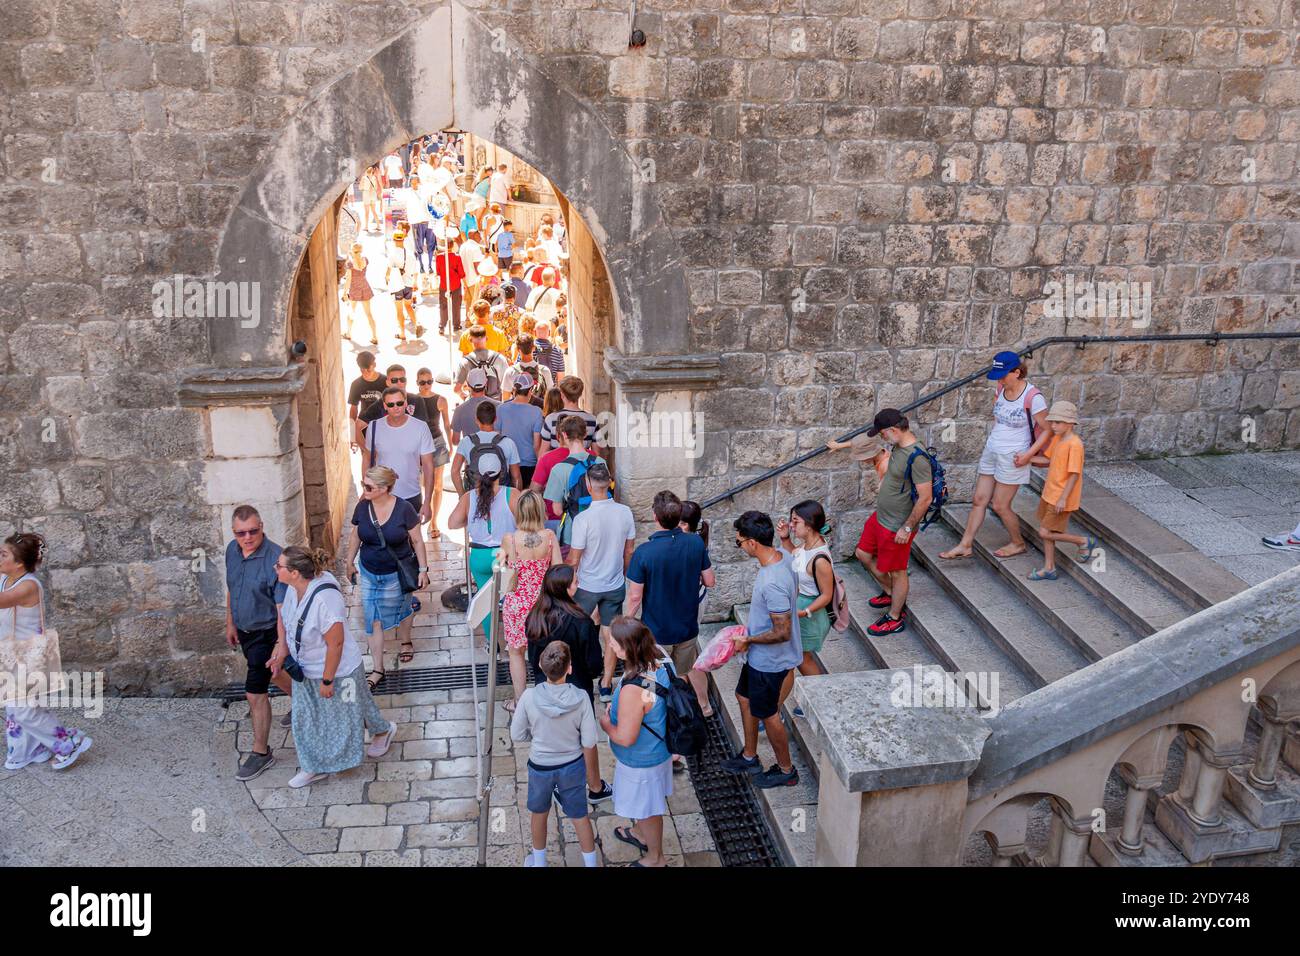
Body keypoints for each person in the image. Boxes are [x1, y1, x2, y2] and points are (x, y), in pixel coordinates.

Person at [268, 547, 397, 789]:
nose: (275, 568)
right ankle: (313, 766)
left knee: (351, 713)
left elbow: (335, 643)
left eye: (280, 566)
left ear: (295, 572)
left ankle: (382, 731)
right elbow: (284, 620)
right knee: (306, 718)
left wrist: (327, 681)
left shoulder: (324, 600)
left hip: (338, 670)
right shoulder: (292, 589)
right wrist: (281, 651)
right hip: (305, 669)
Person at [940, 351, 1049, 560]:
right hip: (993, 449)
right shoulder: (1001, 389)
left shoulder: (1033, 397)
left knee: (1000, 505)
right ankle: (965, 544)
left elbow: (1047, 430)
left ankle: (1018, 543)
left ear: (1016, 372)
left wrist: (1028, 455)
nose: (999, 379)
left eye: (1003, 375)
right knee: (979, 499)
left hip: (1015, 455)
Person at [723, 511, 802, 789]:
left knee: (769, 714)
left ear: (753, 543)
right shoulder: (783, 556)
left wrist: (749, 640)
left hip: (769, 662)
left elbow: (782, 632)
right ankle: (749, 755)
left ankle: (786, 769)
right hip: (759, 659)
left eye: (740, 542)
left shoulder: (772, 582)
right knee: (743, 697)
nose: (740, 546)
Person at [1, 533, 92, 772]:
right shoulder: (5, 578)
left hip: (31, 656)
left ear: (19, 562)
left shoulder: (29, 585)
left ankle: (70, 742)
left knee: (23, 709)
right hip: (11, 653)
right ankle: (29, 750)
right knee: (17, 706)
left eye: (3, 554)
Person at [525, 564, 613, 804]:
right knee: (586, 739)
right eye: (575, 581)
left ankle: (560, 786)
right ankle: (595, 787)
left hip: (546, 688)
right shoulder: (581, 621)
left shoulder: (534, 617)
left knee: (556, 739)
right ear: (565, 589)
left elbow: (533, 658)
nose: (578, 583)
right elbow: (594, 665)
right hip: (577, 691)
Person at [624, 490, 715, 720]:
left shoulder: (644, 553)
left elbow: (635, 597)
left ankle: (659, 716)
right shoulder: (695, 543)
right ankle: (683, 713)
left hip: (658, 630)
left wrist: (626, 622)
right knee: (683, 673)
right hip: (687, 626)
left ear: (655, 516)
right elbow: (710, 581)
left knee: (654, 676)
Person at [511, 641, 602, 868]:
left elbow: (517, 734)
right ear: (570, 668)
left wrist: (538, 738)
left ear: (541, 666)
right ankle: (590, 863)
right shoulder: (581, 698)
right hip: (571, 765)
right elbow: (590, 741)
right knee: (579, 815)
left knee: (539, 813)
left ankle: (539, 862)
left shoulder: (529, 698)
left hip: (541, 766)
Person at [346, 466, 430, 689]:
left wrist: (423, 570)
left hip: (397, 572)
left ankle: (405, 641)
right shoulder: (363, 506)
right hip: (369, 571)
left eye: (368, 487)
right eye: (364, 485)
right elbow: (355, 535)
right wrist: (348, 562)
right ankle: (378, 668)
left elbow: (418, 541)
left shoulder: (404, 509)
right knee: (372, 618)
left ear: (384, 488)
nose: (364, 490)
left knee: (402, 610)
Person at [224, 505, 291, 781]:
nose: (248, 537)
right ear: (234, 533)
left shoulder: (275, 558)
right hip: (246, 630)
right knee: (275, 675)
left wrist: (281, 646)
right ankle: (304, 704)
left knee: (255, 691)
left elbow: (282, 609)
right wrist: (230, 621)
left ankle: (261, 752)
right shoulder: (231, 550)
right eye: (241, 533)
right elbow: (231, 586)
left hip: (268, 631)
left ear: (262, 526)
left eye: (253, 531)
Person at [599, 617, 672, 867]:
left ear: (628, 648)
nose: (610, 645)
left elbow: (626, 738)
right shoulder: (659, 658)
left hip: (641, 760)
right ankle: (641, 834)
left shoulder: (634, 689)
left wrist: (607, 724)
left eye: (614, 643)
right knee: (645, 805)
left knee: (648, 810)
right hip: (657, 749)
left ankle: (656, 858)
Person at [853, 410, 933, 636]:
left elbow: (925, 498)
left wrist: (907, 527)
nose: (882, 439)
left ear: (893, 430)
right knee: (863, 554)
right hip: (881, 517)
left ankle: (895, 616)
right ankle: (890, 592)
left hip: (897, 525)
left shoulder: (917, 457)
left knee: (898, 571)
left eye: (883, 434)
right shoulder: (899, 446)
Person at [566, 460, 636, 703]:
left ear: (587, 485)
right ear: (610, 484)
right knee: (610, 636)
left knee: (578, 632)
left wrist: (567, 583)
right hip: (614, 584)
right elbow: (629, 552)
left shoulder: (583, 520)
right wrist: (623, 575)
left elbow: (574, 558)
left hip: (587, 586)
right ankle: (606, 685)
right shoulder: (625, 512)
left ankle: (579, 679)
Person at [501, 491, 561, 710]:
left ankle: (520, 701)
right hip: (543, 603)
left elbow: (508, 572)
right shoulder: (550, 536)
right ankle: (548, 697)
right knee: (547, 650)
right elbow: (557, 571)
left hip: (518, 602)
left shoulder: (510, 539)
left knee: (516, 652)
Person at [1028, 401, 1098, 580]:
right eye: (1052, 422)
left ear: (1070, 423)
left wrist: (1063, 499)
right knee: (1049, 531)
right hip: (1049, 493)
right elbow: (1049, 460)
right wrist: (1027, 459)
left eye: (1058, 422)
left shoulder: (1075, 444)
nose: (1053, 426)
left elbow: (1074, 474)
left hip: (1060, 496)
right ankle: (1049, 567)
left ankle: (1083, 541)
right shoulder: (1058, 439)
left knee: (1044, 532)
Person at [362, 386, 435, 531]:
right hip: (381, 495)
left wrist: (427, 502)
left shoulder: (420, 427)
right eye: (391, 404)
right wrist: (366, 488)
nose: (396, 407)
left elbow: (428, 466)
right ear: (384, 406)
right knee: (384, 542)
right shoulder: (374, 427)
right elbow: (367, 458)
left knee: (414, 543)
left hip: (411, 495)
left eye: (400, 403)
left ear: (406, 403)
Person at [776, 500, 833, 679]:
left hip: (812, 614)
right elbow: (795, 557)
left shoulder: (820, 559)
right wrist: (785, 538)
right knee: (798, 656)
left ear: (808, 525)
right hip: (801, 605)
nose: (791, 525)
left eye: (795, 521)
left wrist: (804, 612)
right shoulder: (806, 545)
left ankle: (816, 695)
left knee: (802, 658)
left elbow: (827, 595)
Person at [448, 448, 518, 591]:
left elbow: (452, 523)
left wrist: (469, 520)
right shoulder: (513, 494)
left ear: (477, 474)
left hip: (480, 557)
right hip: (506, 556)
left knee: (485, 604)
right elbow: (527, 523)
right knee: (508, 599)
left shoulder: (468, 497)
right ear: (501, 472)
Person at [534, 415, 595, 540]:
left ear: (560, 435)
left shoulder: (548, 459)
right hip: (593, 521)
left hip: (559, 521)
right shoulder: (596, 459)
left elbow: (535, 490)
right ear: (585, 434)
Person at [414, 367, 453, 539]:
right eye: (423, 382)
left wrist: (451, 444)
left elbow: (446, 425)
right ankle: (424, 514)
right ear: (417, 383)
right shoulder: (412, 401)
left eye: (429, 381)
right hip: (419, 445)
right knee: (423, 484)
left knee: (437, 485)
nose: (426, 385)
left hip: (437, 443)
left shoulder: (441, 400)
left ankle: (434, 521)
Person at [451, 399, 522, 494]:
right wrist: (516, 498)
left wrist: (462, 495)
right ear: (495, 419)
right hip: (501, 495)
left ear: (476, 420)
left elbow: (454, 471)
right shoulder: (508, 442)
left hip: (475, 494)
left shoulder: (466, 442)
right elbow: (516, 476)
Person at [494, 371, 545, 488]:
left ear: (514, 389)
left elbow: (496, 438)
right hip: (529, 463)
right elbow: (536, 445)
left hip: (507, 462)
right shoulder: (537, 412)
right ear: (530, 390)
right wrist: (541, 466)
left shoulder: (501, 409)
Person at [539, 376, 599, 451]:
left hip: (556, 462)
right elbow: (596, 454)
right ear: (580, 394)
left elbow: (542, 455)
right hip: (581, 462)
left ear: (562, 394)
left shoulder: (550, 419)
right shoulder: (593, 420)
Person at [455, 324, 509, 400]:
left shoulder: (465, 362)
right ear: (486, 339)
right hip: (495, 404)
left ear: (470, 340)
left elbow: (457, 389)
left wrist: (465, 397)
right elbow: (508, 385)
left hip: (474, 405)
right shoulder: (500, 358)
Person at [346, 351, 385, 452]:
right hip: (364, 427)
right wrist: (353, 434)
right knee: (368, 459)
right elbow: (353, 410)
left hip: (383, 426)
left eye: (368, 369)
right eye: (362, 370)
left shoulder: (385, 381)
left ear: (374, 365)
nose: (366, 373)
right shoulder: (356, 384)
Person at [385, 228, 419, 343]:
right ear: (403, 239)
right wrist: (415, 282)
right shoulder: (410, 254)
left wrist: (387, 280)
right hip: (408, 284)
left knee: (399, 310)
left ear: (394, 240)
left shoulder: (392, 254)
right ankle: (416, 323)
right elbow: (415, 271)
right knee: (408, 306)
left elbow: (388, 272)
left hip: (397, 285)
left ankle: (402, 333)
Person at [449, 367, 497, 446]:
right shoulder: (499, 406)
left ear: (467, 384)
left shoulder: (459, 410)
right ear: (486, 383)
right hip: (495, 455)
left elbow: (455, 441)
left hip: (470, 456)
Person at [341, 242, 377, 345]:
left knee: (351, 312)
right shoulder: (365, 259)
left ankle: (348, 333)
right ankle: (374, 336)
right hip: (365, 287)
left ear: (352, 251)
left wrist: (344, 293)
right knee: (369, 314)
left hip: (355, 289)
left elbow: (348, 280)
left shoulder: (350, 263)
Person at [503, 332, 553, 402]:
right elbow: (550, 398)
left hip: (518, 411)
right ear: (533, 348)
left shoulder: (510, 372)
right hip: (539, 411)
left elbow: (505, 400)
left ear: (517, 349)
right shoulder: (544, 371)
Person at [435, 234, 466, 335]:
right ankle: (456, 325)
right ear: (452, 246)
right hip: (456, 284)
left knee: (443, 305)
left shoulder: (439, 257)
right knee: (456, 305)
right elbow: (461, 273)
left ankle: (442, 326)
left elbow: (438, 272)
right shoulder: (457, 257)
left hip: (444, 284)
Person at [360, 164, 382, 234]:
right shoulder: (374, 178)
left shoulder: (364, 178)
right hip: (373, 195)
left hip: (366, 195)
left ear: (366, 171)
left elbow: (360, 187)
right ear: (372, 171)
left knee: (367, 212)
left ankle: (366, 226)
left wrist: (363, 188)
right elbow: (376, 187)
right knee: (374, 211)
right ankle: (378, 225)